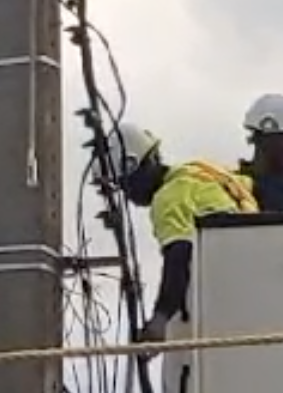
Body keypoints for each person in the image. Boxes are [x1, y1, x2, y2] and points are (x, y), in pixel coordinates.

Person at [91, 123, 258, 342]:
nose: (127, 194)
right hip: (253, 276)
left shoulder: (168, 198)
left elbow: (179, 256)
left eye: (126, 184)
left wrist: (160, 320)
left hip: (226, 295)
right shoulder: (200, 174)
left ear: (142, 164)